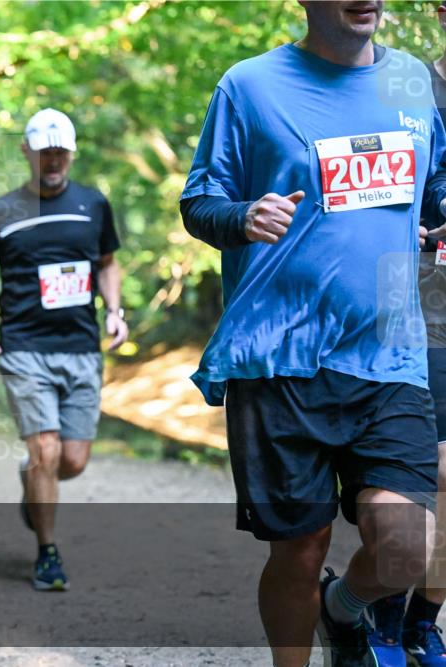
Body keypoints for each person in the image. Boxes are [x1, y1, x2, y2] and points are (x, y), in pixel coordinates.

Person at [179, 2, 446, 665]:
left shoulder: (410, 80)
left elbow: (434, 180)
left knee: (409, 543)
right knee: (300, 549)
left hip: (389, 353)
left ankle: (343, 607)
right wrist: (243, 215)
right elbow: (200, 201)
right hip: (278, 357)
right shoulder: (249, 86)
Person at [0, 109, 128, 591]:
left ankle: (32, 482)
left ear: (71, 154)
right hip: (24, 348)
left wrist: (115, 310)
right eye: (44, 153)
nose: (53, 161)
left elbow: (108, 263)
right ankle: (47, 553)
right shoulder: (1, 211)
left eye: (60, 153)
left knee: (71, 460)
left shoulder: (93, 205)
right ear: (26, 153)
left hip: (81, 348)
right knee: (46, 450)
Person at [364, 4, 446, 665]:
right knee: (437, 467)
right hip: (423, 300)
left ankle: (422, 619)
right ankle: (385, 615)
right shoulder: (409, 87)